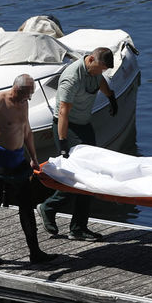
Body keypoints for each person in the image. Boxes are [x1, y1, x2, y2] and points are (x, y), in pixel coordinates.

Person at [0, 74, 56, 265]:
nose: (29, 99)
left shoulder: (23, 103)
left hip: (17, 159)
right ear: (17, 89)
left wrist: (33, 158)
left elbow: (26, 131)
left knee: (27, 205)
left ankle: (35, 251)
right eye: (27, 94)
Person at [38, 47, 118, 241]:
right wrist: (63, 141)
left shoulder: (95, 71)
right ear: (90, 59)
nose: (100, 73)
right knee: (80, 176)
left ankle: (78, 228)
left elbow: (101, 83)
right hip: (67, 127)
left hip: (84, 125)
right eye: (99, 68)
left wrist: (111, 97)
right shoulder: (71, 78)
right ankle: (49, 206)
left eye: (103, 71)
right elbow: (63, 111)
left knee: (90, 174)